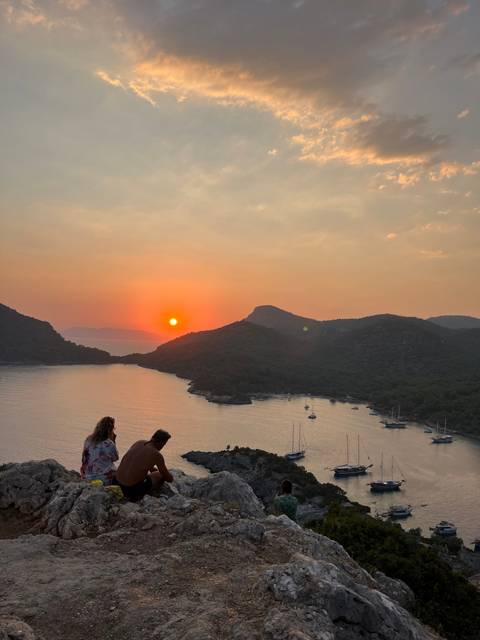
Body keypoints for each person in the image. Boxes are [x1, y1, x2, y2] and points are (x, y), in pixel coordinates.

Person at [114, 429, 173, 501]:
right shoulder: (156, 454)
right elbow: (168, 478)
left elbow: (140, 463)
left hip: (116, 482)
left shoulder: (139, 442)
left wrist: (151, 469)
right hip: (129, 490)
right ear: (162, 443)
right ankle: (147, 495)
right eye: (164, 444)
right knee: (159, 475)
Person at [80, 416, 119, 485]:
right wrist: (113, 441)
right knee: (120, 472)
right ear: (109, 430)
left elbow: (83, 458)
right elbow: (115, 458)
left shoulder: (88, 439)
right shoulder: (109, 443)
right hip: (102, 479)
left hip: (86, 477)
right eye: (113, 429)